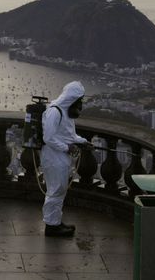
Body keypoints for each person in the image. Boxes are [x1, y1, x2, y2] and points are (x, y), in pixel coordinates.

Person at [41, 80, 91, 237]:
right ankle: (51, 226)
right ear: (71, 99)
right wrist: (66, 147)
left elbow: (69, 135)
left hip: (61, 158)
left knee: (60, 189)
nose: (80, 105)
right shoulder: (55, 112)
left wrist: (83, 142)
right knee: (55, 190)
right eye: (79, 101)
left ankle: (55, 221)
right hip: (53, 157)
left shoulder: (66, 113)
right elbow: (48, 137)